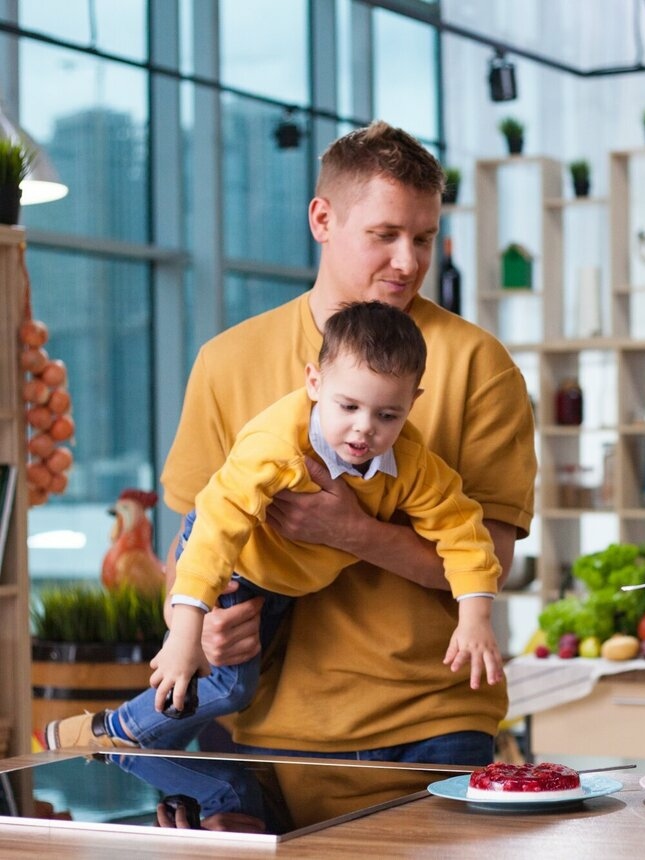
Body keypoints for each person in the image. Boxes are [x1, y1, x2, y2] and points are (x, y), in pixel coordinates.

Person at [155, 121, 536, 765]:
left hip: (432, 726)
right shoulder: (226, 361)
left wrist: (351, 530)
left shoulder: (480, 364)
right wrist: (195, 622)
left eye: (423, 238)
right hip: (263, 735)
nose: (409, 262)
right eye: (384, 236)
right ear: (322, 219)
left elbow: (489, 559)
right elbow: (190, 536)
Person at [44, 301, 504, 752]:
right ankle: (109, 731)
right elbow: (214, 533)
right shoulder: (274, 447)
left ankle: (150, 736)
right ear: (314, 382)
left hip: (287, 575)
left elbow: (463, 531)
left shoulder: (411, 461)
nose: (364, 430)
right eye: (348, 406)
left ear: (412, 404)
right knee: (230, 688)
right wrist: (186, 634)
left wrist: (474, 618)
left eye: (387, 415)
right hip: (237, 560)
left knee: (211, 686)